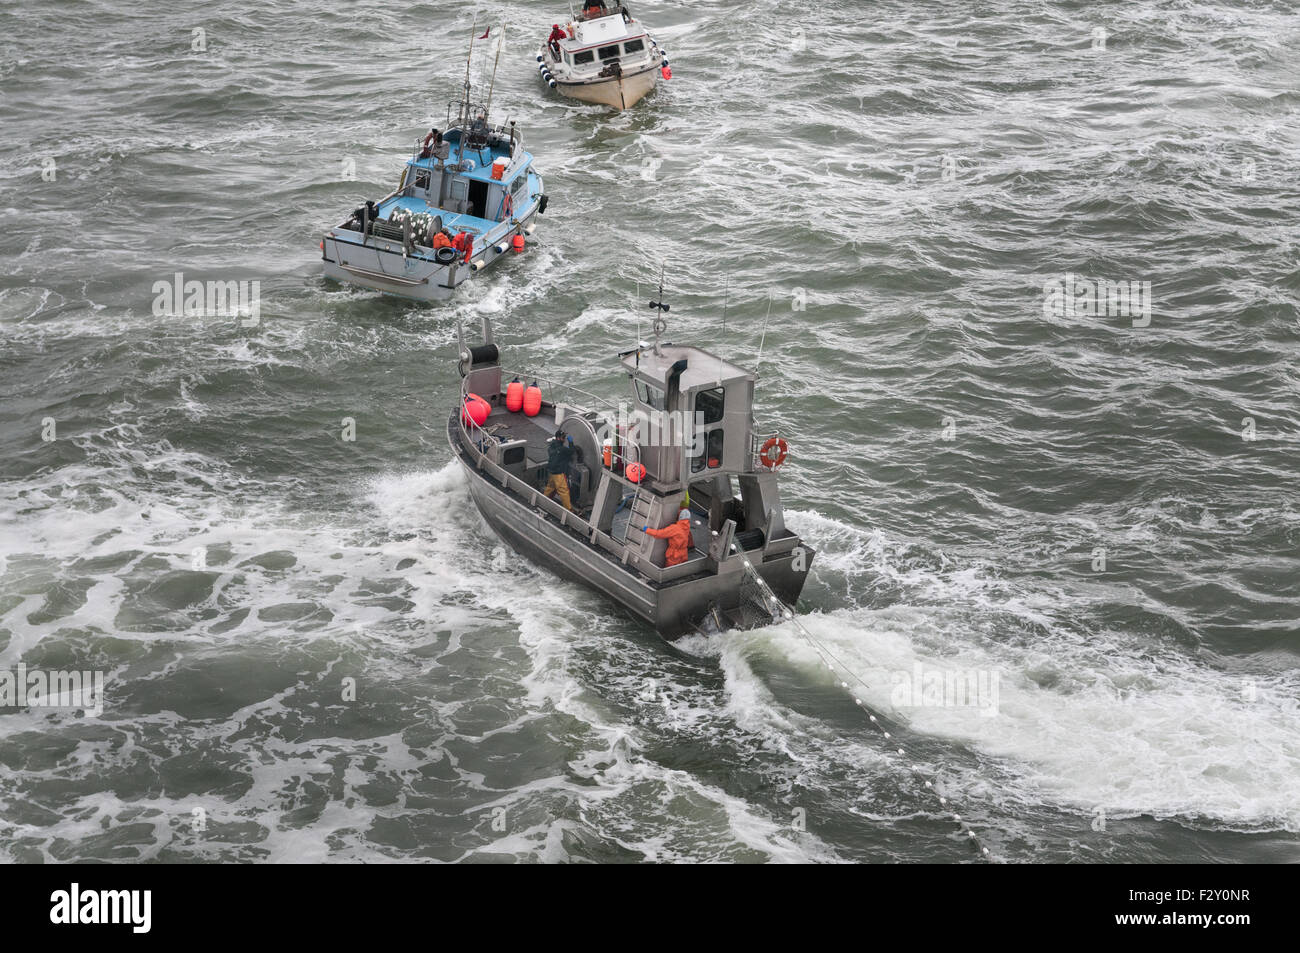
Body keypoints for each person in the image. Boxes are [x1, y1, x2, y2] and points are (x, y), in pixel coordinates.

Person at [543, 430, 576, 511]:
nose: (564, 439)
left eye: (565, 437)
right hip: (558, 473)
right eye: (563, 437)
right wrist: (571, 442)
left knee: (550, 487)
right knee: (564, 491)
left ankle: (543, 502)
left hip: (551, 471)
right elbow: (571, 451)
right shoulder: (562, 449)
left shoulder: (552, 445)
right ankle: (569, 510)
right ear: (558, 438)